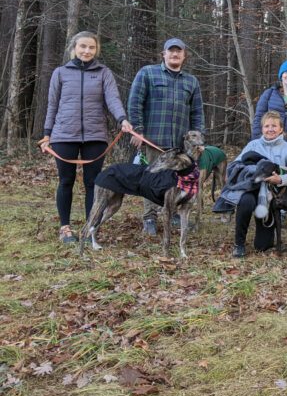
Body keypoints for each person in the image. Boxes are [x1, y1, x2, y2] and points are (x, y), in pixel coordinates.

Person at [39, 31, 133, 244]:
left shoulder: (103, 73)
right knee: (66, 180)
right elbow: (52, 105)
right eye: (83, 46)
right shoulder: (60, 73)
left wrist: (122, 119)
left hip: (95, 135)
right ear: (74, 48)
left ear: (96, 50)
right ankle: (65, 228)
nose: (87, 51)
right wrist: (47, 134)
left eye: (91, 47)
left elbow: (113, 99)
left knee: (93, 182)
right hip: (64, 135)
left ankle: (91, 228)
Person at [127, 37, 205, 235]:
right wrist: (137, 129)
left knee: (176, 180)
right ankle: (149, 217)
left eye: (179, 51)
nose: (175, 54)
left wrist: (198, 141)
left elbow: (197, 113)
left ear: (184, 56)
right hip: (153, 138)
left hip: (180, 143)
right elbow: (135, 102)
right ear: (164, 54)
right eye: (171, 51)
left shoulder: (191, 81)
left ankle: (171, 213)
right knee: (151, 178)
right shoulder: (148, 73)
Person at [226, 111, 287, 258]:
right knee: (245, 201)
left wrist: (280, 179)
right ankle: (239, 244)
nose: (270, 129)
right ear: (262, 129)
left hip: (273, 198)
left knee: (262, 246)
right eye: (267, 126)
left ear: (281, 129)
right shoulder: (253, 145)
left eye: (274, 126)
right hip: (252, 190)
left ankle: (262, 226)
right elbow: (235, 166)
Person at [253, 59, 287, 148]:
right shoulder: (269, 94)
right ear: (281, 76)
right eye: (286, 72)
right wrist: (256, 142)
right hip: (271, 144)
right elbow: (259, 118)